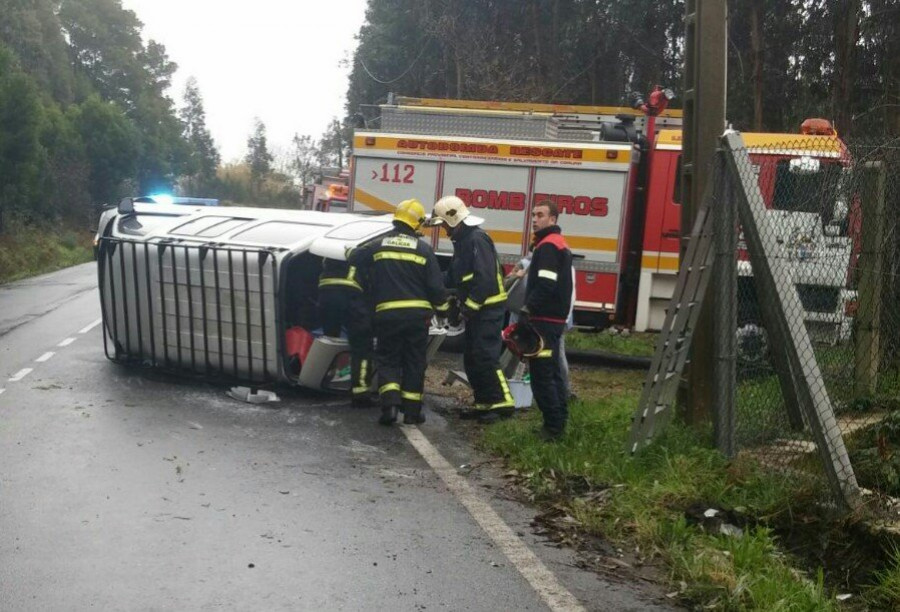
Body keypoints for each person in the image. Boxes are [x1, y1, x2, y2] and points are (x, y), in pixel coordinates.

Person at [348, 199, 449, 426]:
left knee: (388, 360)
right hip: (417, 318)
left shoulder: (378, 245)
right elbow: (436, 287)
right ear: (416, 224)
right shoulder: (424, 249)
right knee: (414, 362)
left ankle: (390, 407)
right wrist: (443, 311)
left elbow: (353, 257)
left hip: (387, 316)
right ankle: (412, 413)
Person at [427, 196, 514, 423]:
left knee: (486, 357)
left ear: (454, 220)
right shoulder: (464, 242)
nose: (444, 230)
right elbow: (456, 276)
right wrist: (432, 281)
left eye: (445, 224)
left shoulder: (477, 240)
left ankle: (502, 403)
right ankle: (484, 403)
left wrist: (469, 308)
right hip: (479, 310)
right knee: (473, 358)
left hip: (488, 309)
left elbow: (484, 279)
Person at [520, 200, 574, 441]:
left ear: (553, 219)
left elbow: (546, 282)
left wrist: (528, 307)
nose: (534, 219)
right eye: (533, 214)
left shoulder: (549, 246)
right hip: (553, 319)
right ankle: (558, 422)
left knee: (542, 375)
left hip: (544, 319)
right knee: (551, 372)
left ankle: (553, 428)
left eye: (540, 215)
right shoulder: (554, 243)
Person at [317, 258, 375, 407]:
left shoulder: (330, 246)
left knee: (330, 340)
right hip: (351, 295)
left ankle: (325, 379)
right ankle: (361, 394)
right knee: (362, 346)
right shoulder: (362, 249)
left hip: (326, 294)